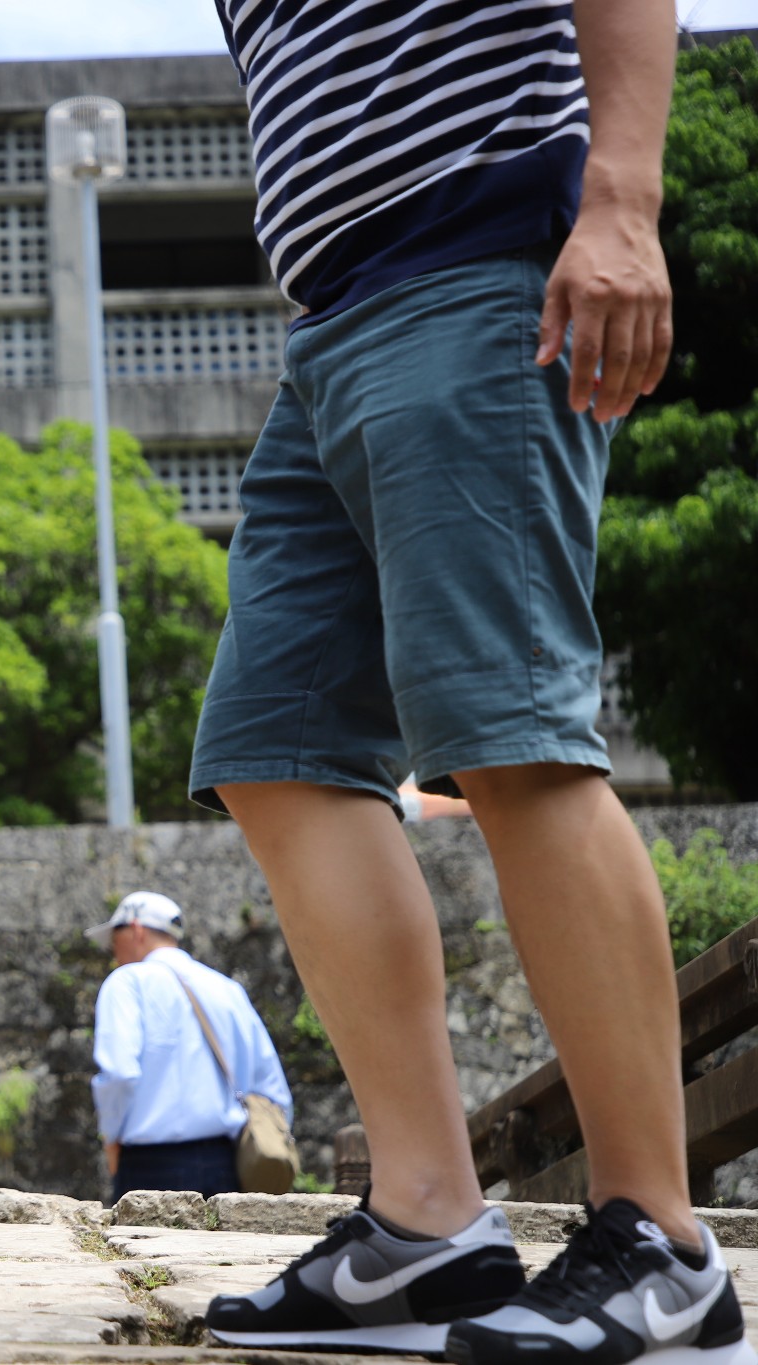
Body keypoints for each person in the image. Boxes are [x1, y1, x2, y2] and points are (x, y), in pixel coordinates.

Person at [188, 3, 752, 1364]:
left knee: (509, 737)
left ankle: (661, 1243)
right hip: (331, 326)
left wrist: (620, 203)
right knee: (277, 748)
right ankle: (428, 1224)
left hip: (485, 262)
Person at [88, 892, 291, 1202]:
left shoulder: (126, 982)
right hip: (225, 1162)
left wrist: (112, 1139)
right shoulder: (227, 989)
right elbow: (272, 1088)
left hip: (149, 1165)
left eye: (114, 941)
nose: (112, 953)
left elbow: (119, 1073)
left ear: (136, 930)